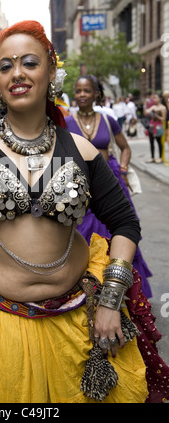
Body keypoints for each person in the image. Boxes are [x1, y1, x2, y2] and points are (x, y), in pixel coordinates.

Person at [0, 21, 168, 404]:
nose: (17, 74)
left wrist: (111, 297)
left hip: (75, 322)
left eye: (29, 62)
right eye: (6, 66)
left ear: (51, 72)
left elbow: (125, 223)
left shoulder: (81, 150)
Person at [64, 75, 152, 299]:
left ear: (96, 94)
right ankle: (84, 288)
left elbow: (125, 147)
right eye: (79, 91)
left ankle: (120, 287)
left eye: (87, 90)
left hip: (111, 180)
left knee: (118, 230)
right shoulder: (66, 122)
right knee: (82, 233)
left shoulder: (108, 120)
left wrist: (122, 168)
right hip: (79, 183)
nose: (82, 95)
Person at [144, 93, 167, 164]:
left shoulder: (163, 108)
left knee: (159, 142)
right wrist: (145, 105)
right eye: (154, 98)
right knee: (151, 142)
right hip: (152, 126)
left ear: (160, 99)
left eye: (156, 98)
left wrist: (157, 115)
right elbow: (146, 113)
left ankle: (160, 157)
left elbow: (164, 119)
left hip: (158, 126)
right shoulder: (153, 107)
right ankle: (152, 157)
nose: (155, 99)